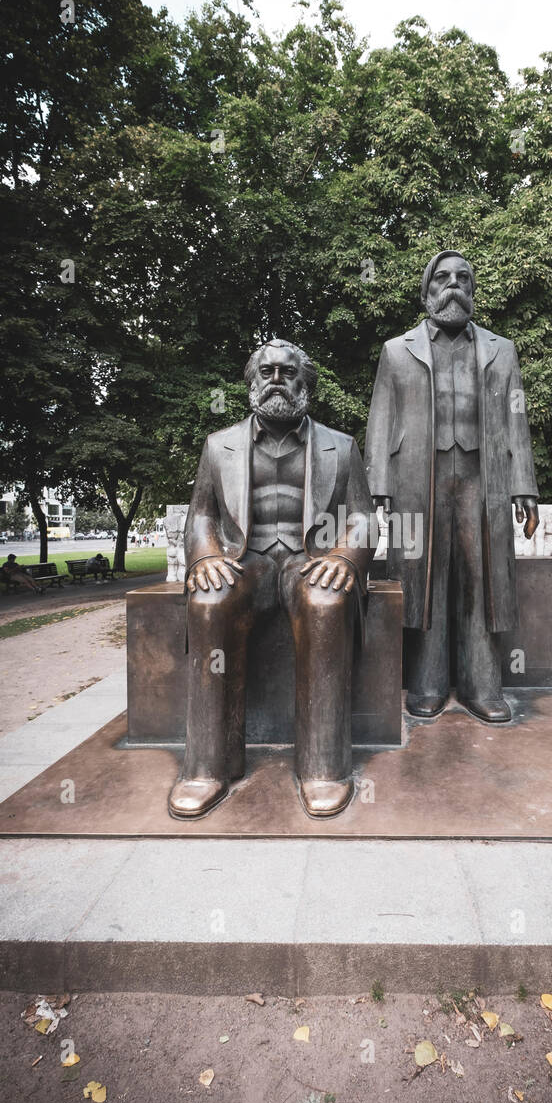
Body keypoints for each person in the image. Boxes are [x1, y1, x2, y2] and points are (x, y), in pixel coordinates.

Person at [170, 339, 374, 821]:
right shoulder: (218, 446)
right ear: (252, 381)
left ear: (306, 384)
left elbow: (363, 518)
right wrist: (203, 558)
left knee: (326, 601)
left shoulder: (340, 446)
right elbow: (201, 515)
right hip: (247, 561)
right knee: (209, 600)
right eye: (267, 372)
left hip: (309, 559)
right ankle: (208, 767)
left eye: (287, 372)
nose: (276, 379)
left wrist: (346, 556)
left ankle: (324, 768)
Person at [364, 250, 540, 724]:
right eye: (442, 278)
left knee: (483, 578)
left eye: (463, 277)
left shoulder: (502, 350)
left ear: (474, 291)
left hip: (486, 478)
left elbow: (516, 418)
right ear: (426, 292)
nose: (453, 285)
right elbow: (381, 417)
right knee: (426, 577)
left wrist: (525, 483)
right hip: (417, 477)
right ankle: (427, 683)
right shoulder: (396, 350)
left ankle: (484, 685)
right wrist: (376, 481)